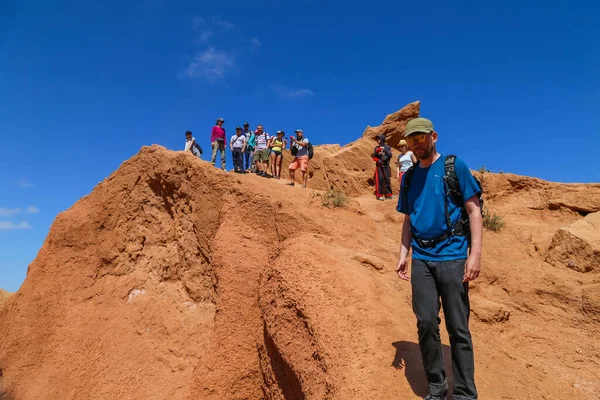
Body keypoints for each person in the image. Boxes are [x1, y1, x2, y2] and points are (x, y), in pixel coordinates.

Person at [395, 117, 482, 400]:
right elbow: (408, 220)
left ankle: (466, 393)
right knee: (426, 322)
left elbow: (473, 211)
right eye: (411, 141)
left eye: (420, 138)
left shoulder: (454, 167)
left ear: (433, 136)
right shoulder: (409, 177)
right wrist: (403, 254)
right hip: (422, 257)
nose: (416, 145)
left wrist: (475, 255)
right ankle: (436, 386)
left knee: (458, 326)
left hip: (454, 256)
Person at [372, 134, 394, 200]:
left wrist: (384, 150)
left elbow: (390, 155)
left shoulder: (387, 147)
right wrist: (378, 157)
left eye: (379, 138)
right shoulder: (376, 147)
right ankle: (379, 195)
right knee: (380, 180)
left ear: (382, 139)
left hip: (386, 165)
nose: (378, 140)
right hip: (379, 166)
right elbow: (374, 157)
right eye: (377, 139)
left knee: (387, 179)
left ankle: (389, 195)